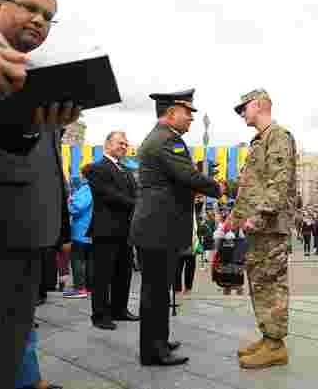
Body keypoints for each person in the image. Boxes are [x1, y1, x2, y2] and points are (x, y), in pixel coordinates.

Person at [0, 0, 82, 388]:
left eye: (48, 16)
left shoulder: (36, 74)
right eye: (30, 8)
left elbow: (30, 152)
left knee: (11, 336)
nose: (40, 20)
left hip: (27, 230)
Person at [130, 88, 223, 367]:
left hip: (157, 226)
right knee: (156, 292)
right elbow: (188, 175)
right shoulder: (168, 140)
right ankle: (154, 350)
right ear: (171, 114)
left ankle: (159, 340)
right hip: (159, 228)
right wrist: (219, 188)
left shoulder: (160, 137)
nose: (191, 118)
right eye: (187, 112)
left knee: (158, 290)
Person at [223, 88, 296, 369]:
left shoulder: (277, 136)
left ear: (260, 105)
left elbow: (279, 181)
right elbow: (251, 187)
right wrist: (234, 218)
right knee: (259, 284)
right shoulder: (260, 140)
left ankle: (275, 345)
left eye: (245, 107)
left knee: (271, 284)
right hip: (257, 227)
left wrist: (261, 215)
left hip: (270, 227)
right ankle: (268, 338)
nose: (242, 113)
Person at [85, 131, 138, 330]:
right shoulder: (97, 168)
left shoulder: (125, 169)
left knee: (124, 273)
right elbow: (109, 195)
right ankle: (100, 315)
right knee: (102, 275)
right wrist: (137, 204)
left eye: (125, 144)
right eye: (120, 143)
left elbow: (134, 192)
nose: (123, 147)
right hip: (105, 230)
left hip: (126, 230)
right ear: (107, 144)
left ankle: (119, 309)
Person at [65, 165, 94, 299]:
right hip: (89, 231)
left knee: (77, 260)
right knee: (89, 260)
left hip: (81, 231)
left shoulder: (86, 189)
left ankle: (80, 288)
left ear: (84, 175)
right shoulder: (96, 188)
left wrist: (69, 203)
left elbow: (77, 207)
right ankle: (89, 287)